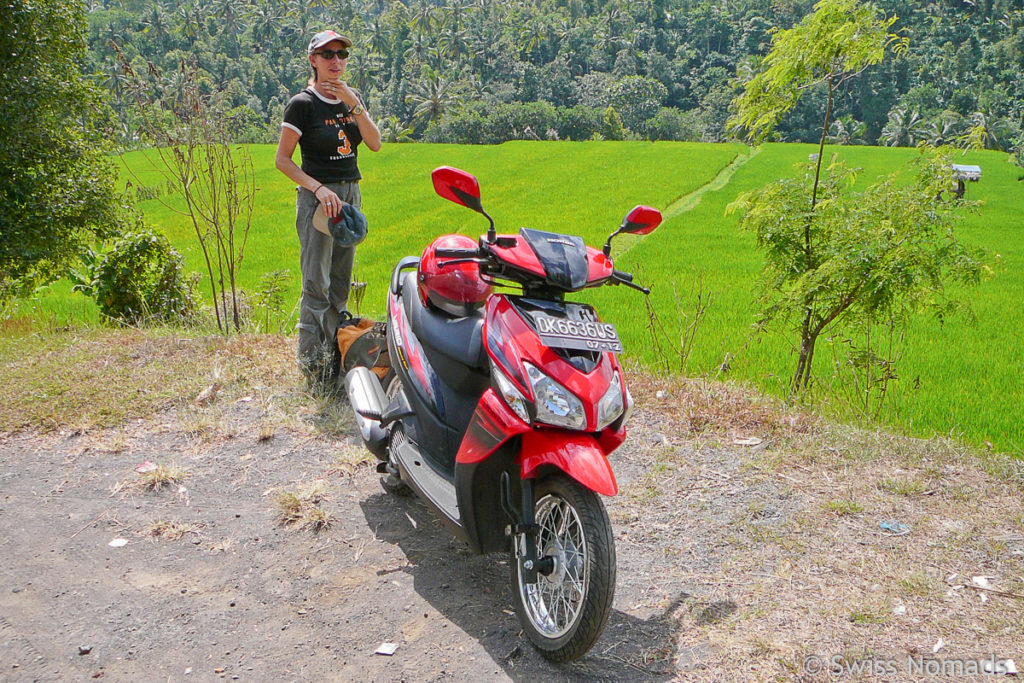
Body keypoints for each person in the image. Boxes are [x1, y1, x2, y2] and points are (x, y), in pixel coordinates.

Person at [275, 29, 382, 390]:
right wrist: (318, 189)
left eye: (342, 55)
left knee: (339, 282)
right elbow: (283, 161)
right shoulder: (302, 104)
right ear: (313, 60)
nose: (336, 61)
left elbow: (375, 143)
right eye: (328, 55)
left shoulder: (353, 100)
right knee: (316, 284)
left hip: (349, 196)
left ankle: (337, 364)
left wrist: (353, 101)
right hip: (319, 200)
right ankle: (315, 370)